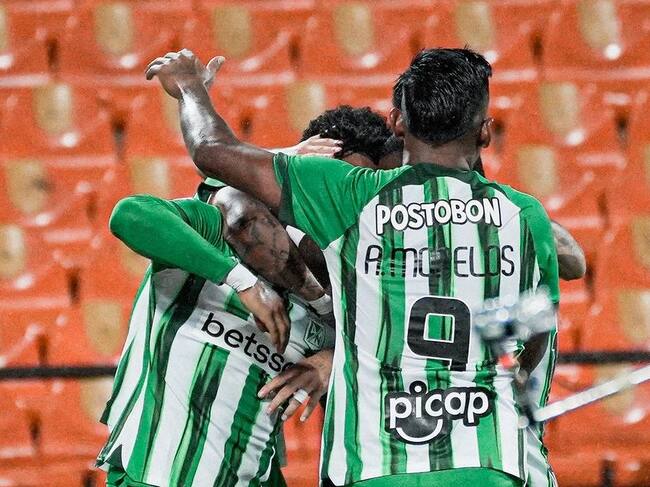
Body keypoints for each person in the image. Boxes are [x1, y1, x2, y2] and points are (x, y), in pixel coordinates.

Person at [146, 47, 562, 487]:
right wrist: (512, 373)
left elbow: (211, 149)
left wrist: (190, 88)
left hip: (374, 465)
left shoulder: (350, 196)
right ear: (485, 133)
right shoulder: (523, 215)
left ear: (397, 123)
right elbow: (540, 324)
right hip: (485, 460)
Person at [96, 180, 337, 486]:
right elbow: (129, 215)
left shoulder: (330, 299)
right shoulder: (215, 234)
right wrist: (242, 281)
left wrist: (334, 361)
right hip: (155, 473)